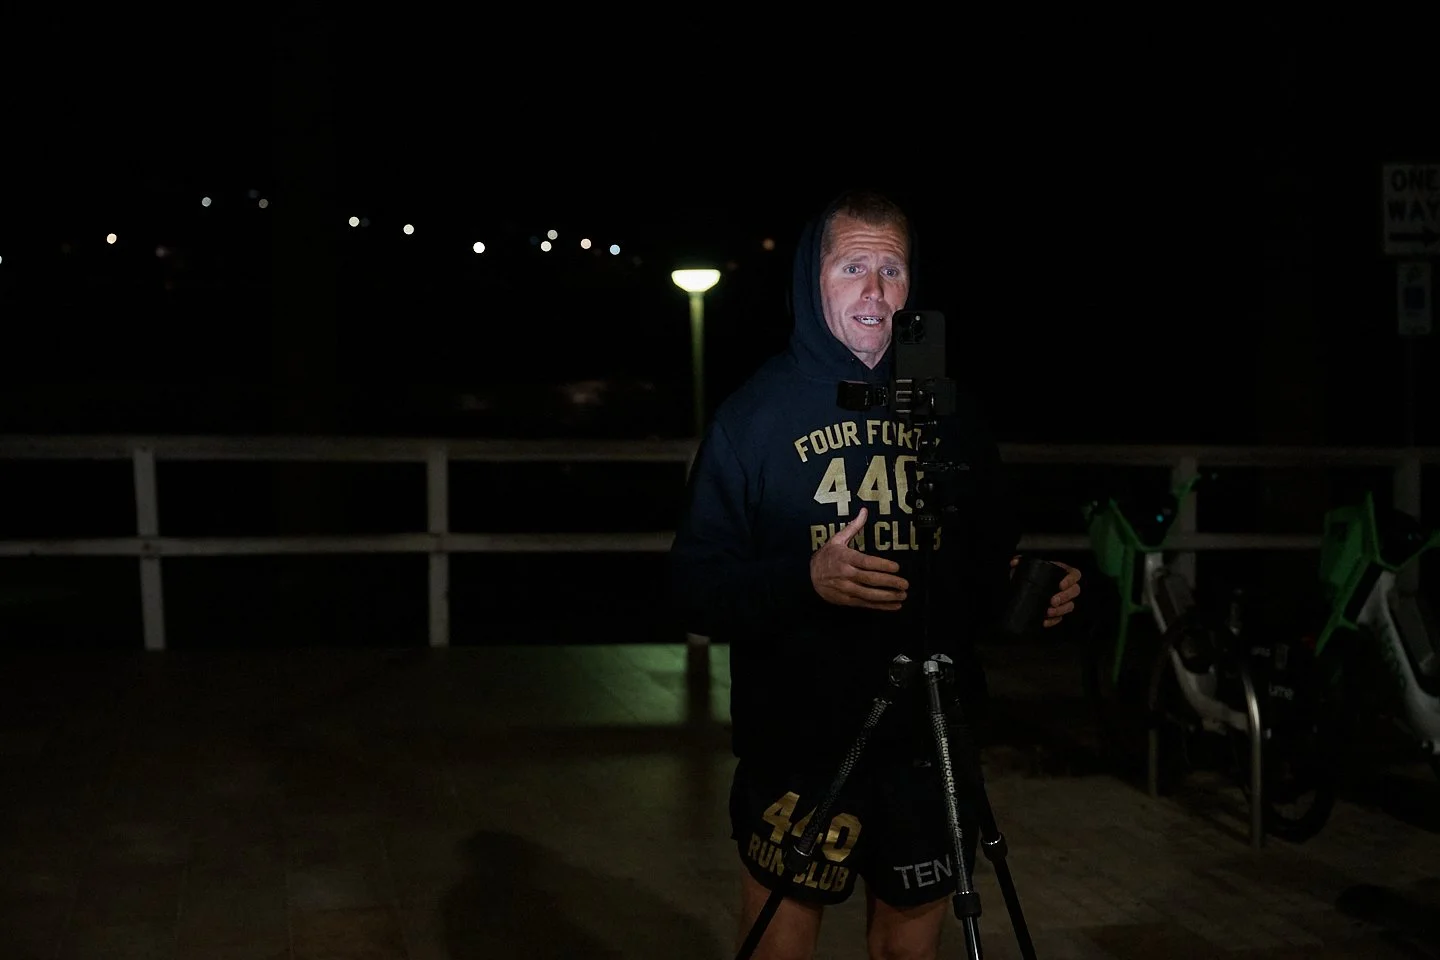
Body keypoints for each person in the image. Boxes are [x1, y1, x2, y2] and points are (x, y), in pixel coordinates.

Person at [668, 187, 1082, 960]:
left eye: (891, 270)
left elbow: (985, 564)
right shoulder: (753, 419)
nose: (875, 290)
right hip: (799, 741)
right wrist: (805, 580)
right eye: (851, 266)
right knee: (779, 946)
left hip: (929, 743)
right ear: (810, 280)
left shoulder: (952, 413)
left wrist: (1033, 587)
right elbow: (693, 588)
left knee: (909, 949)